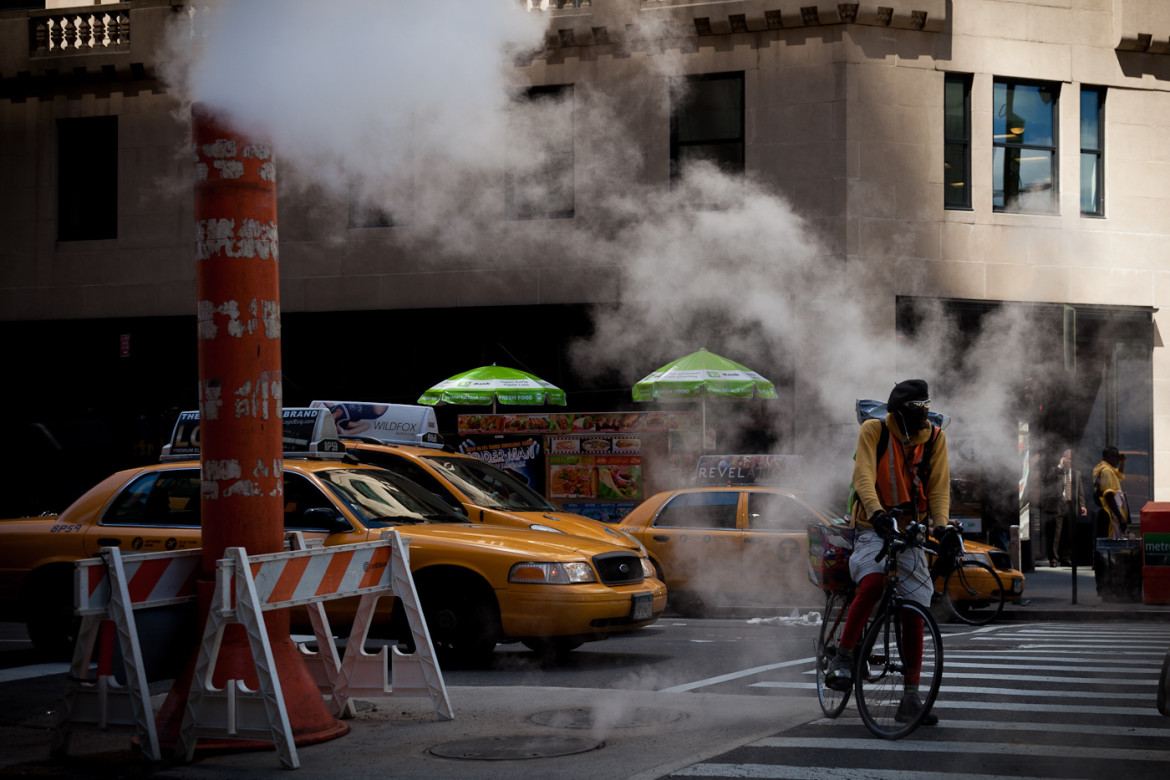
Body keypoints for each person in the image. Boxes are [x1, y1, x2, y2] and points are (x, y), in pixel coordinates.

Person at [826, 379, 958, 726]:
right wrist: (876, 512)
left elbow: (939, 488)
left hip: (911, 533)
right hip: (873, 527)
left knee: (914, 612)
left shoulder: (935, 438)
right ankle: (843, 655)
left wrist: (941, 527)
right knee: (871, 584)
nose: (924, 417)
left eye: (926, 409)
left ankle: (910, 698)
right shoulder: (875, 430)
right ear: (898, 413)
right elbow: (863, 476)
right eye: (917, 411)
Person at [1044, 449, 1087, 567]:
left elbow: (1080, 491)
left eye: (1071, 459)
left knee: (1068, 534)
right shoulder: (1055, 471)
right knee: (1056, 534)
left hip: (1070, 505)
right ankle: (1053, 558)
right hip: (1058, 505)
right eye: (1068, 458)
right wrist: (1059, 467)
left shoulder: (1076, 473)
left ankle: (1066, 557)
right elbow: (1048, 479)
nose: (1069, 461)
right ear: (1063, 459)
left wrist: (1082, 506)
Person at [1092, 446, 1130, 539]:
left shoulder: (1107, 468)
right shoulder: (1107, 471)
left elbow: (1119, 474)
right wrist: (1120, 518)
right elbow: (1109, 495)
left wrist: (1122, 462)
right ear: (1109, 456)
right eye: (1116, 456)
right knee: (1111, 544)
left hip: (1112, 513)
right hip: (1111, 515)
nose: (1118, 459)